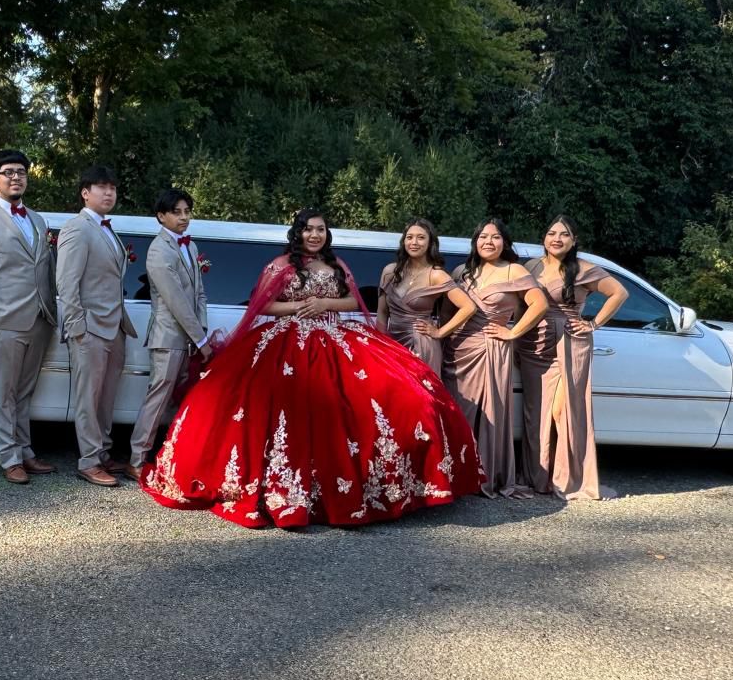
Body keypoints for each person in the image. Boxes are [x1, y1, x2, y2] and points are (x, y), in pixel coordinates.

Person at [142, 209, 482, 528]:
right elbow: (264, 304)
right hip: (285, 343)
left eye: (320, 229)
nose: (314, 235)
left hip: (335, 339)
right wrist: (298, 308)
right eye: (308, 229)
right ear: (298, 233)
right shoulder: (280, 265)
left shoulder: (337, 265)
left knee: (395, 398)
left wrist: (324, 303)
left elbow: (353, 300)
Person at [0, 149, 59, 485]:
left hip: (40, 319)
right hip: (3, 321)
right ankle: (9, 457)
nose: (16, 177)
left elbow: (46, 269)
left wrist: (51, 312)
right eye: (9, 172)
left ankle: (25, 451)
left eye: (21, 172)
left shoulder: (37, 220)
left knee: (25, 392)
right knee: (3, 394)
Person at [520, 216, 629, 500]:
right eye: (552, 233)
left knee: (563, 412)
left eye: (564, 234)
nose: (557, 238)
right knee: (536, 414)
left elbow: (619, 293)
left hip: (569, 342)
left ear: (573, 240)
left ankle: (569, 478)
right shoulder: (531, 267)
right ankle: (538, 478)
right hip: (533, 345)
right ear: (544, 237)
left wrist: (593, 323)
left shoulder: (584, 269)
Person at [442, 219, 547, 499]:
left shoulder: (515, 270)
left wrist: (513, 331)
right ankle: (457, 474)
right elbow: (447, 312)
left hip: (492, 348)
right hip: (457, 350)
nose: (489, 242)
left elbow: (540, 304)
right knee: (458, 411)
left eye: (496, 237)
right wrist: (441, 337)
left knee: (490, 414)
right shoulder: (461, 272)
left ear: (505, 242)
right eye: (483, 236)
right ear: (475, 241)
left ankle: (487, 474)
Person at [55, 165, 138, 487]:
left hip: (114, 327)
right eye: (102, 187)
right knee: (88, 398)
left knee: (106, 397)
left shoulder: (108, 230)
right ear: (85, 193)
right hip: (89, 327)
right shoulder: (77, 228)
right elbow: (67, 283)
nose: (108, 193)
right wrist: (77, 327)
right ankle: (88, 461)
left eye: (112, 188)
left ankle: (102, 451)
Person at [125, 189, 215, 478]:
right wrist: (201, 340)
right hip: (168, 338)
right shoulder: (159, 250)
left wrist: (201, 330)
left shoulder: (190, 246)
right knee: (159, 398)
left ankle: (177, 457)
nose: (184, 217)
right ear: (161, 216)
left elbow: (199, 294)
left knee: (182, 400)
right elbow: (175, 300)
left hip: (190, 338)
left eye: (187, 211)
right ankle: (136, 460)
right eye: (177, 212)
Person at [375, 217, 476, 375]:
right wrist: (381, 343)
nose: (414, 242)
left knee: (419, 390)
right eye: (409, 237)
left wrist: (439, 332)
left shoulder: (436, 275)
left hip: (421, 346)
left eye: (421, 237)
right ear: (404, 241)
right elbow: (382, 312)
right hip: (392, 345)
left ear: (430, 243)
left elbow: (469, 307)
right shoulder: (390, 272)